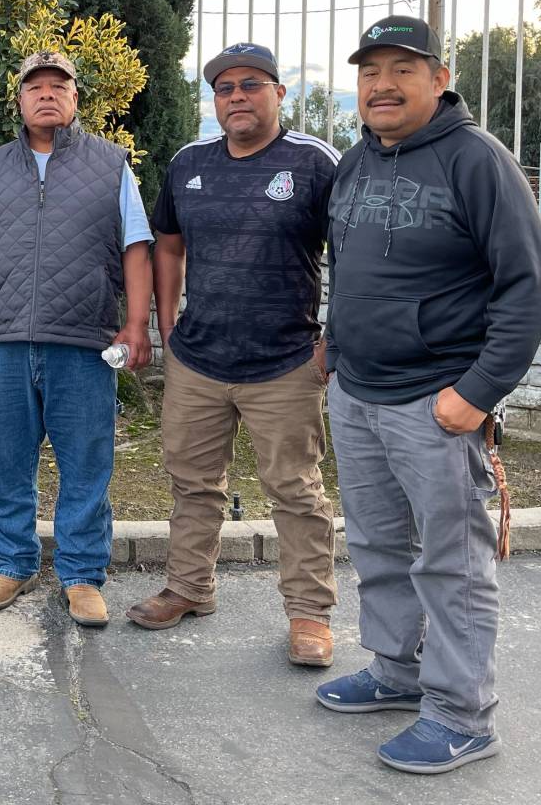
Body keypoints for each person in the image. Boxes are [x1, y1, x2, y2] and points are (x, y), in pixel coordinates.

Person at [317, 15, 541, 775]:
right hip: (358, 395)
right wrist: (336, 350)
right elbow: (348, 266)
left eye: (402, 70)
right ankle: (397, 669)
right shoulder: (356, 161)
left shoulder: (477, 160)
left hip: (436, 402)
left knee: (452, 564)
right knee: (378, 545)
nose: (382, 85)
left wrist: (477, 393)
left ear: (439, 79)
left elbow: (530, 285)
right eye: (370, 72)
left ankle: (462, 714)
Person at [127, 43, 340, 668]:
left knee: (296, 491)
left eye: (251, 84)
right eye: (224, 88)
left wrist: (334, 340)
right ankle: (190, 588)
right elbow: (168, 245)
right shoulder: (189, 164)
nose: (237, 96)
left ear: (280, 92)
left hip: (286, 362)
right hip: (199, 361)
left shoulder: (315, 163)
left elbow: (353, 251)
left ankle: (309, 614)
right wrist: (168, 324)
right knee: (192, 485)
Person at [0, 50, 152, 628]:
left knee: (87, 463)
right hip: (4, 339)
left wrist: (137, 324)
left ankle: (82, 575)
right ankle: (12, 562)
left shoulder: (111, 164)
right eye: (34, 87)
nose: (46, 94)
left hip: (83, 343)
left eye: (59, 86)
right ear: (19, 101)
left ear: (75, 98)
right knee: (4, 462)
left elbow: (137, 247)